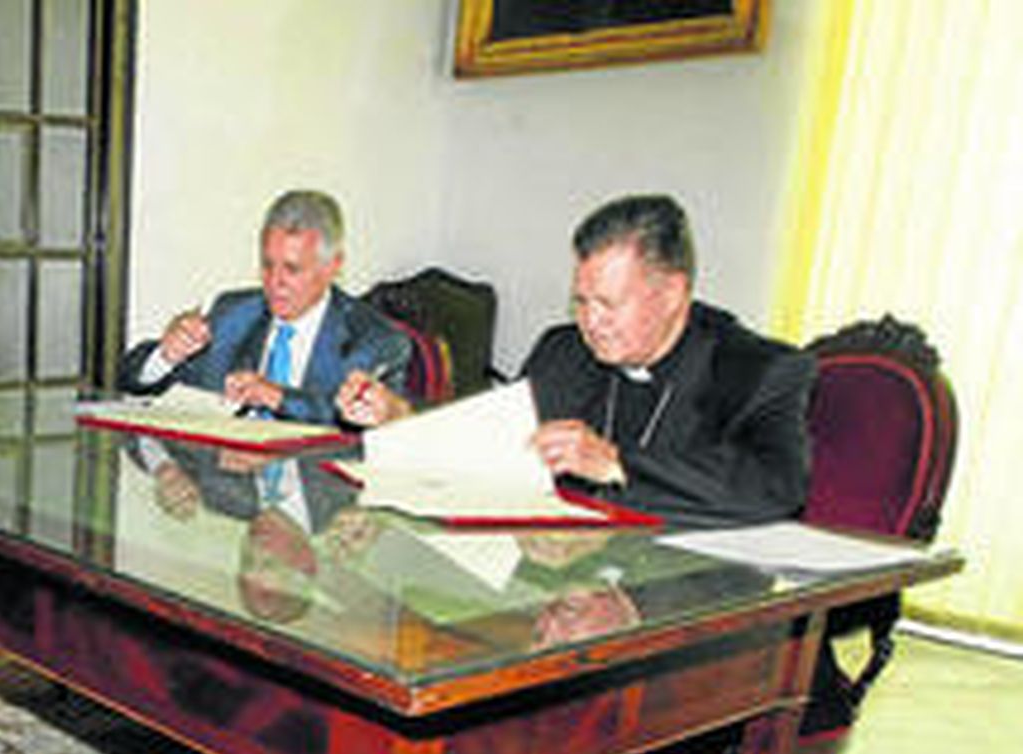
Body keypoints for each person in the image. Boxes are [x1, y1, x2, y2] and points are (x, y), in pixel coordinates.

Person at [338, 193, 814, 529]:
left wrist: (616, 463)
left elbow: (776, 486)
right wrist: (400, 415)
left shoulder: (756, 371)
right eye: (581, 302)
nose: (591, 322)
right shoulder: (564, 351)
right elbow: (491, 437)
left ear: (672, 293)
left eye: (608, 304)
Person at [118, 188, 410, 425]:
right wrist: (166, 355)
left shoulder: (374, 339)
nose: (275, 282)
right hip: (231, 489)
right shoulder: (231, 313)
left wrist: (277, 397)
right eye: (267, 265)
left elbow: (354, 422)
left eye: (292, 269)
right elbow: (130, 379)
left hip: (318, 494)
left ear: (333, 266)